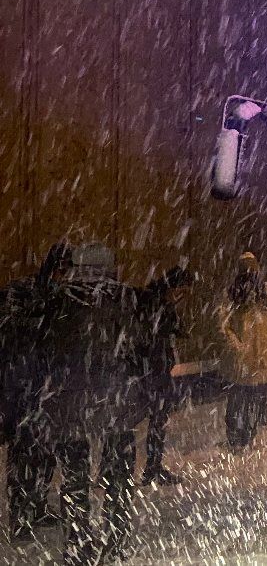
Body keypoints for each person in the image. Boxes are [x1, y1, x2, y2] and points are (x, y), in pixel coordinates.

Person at [40, 242, 149, 564]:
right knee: (119, 473)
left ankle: (78, 541)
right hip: (115, 398)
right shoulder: (125, 299)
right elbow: (138, 345)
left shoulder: (59, 302)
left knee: (74, 476)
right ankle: (115, 538)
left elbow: (47, 351)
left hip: (71, 401)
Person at [2, 242, 70, 541]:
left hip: (38, 387)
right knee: (24, 455)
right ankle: (20, 518)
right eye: (63, 270)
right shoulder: (32, 293)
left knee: (42, 454)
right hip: (25, 388)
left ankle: (37, 507)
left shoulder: (45, 293)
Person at [218, 252, 267, 452]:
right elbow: (223, 325)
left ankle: (248, 436)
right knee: (237, 401)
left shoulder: (266, 293)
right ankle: (236, 438)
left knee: (254, 401)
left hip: (260, 359)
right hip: (240, 362)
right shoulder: (232, 294)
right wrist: (237, 346)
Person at [138, 266, 196, 485]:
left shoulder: (158, 302)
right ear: (173, 287)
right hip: (152, 372)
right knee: (156, 420)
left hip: (157, 370)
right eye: (181, 291)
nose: (181, 297)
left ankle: (153, 466)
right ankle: (150, 468)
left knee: (158, 420)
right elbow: (154, 334)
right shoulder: (155, 304)